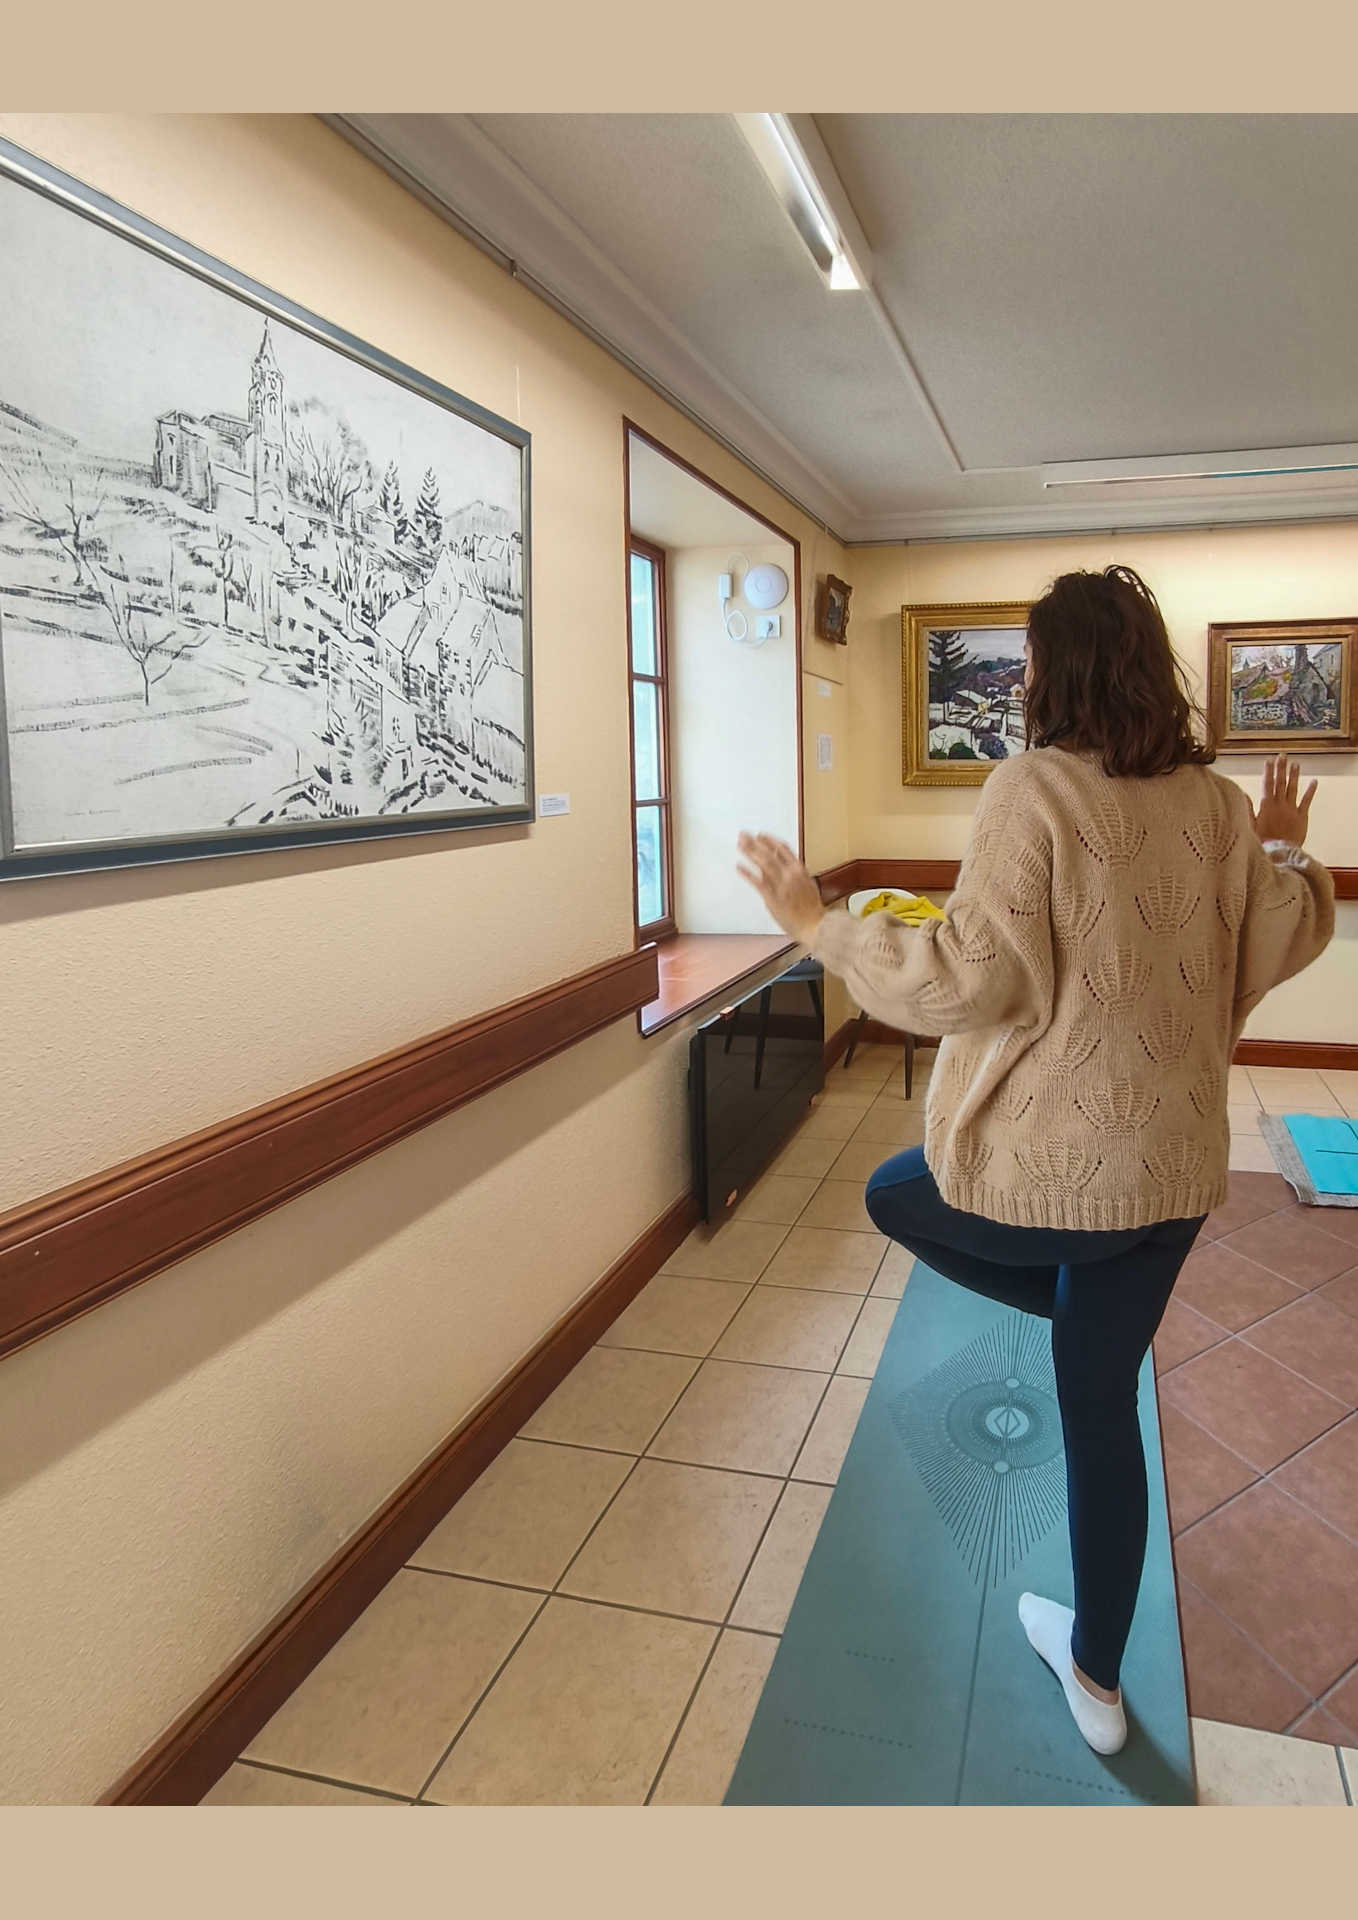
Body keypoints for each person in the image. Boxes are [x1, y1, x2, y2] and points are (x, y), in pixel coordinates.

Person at [737, 564, 1335, 1758]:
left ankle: (1074, 1317)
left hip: (1062, 1180)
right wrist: (1281, 850)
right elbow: (1278, 937)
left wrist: (816, 924)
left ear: (1056, 671)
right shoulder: (1216, 805)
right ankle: (1096, 1682)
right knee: (1097, 1404)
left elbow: (966, 980)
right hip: (1171, 1180)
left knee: (893, 1193)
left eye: (1029, 659)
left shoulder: (1030, 789)